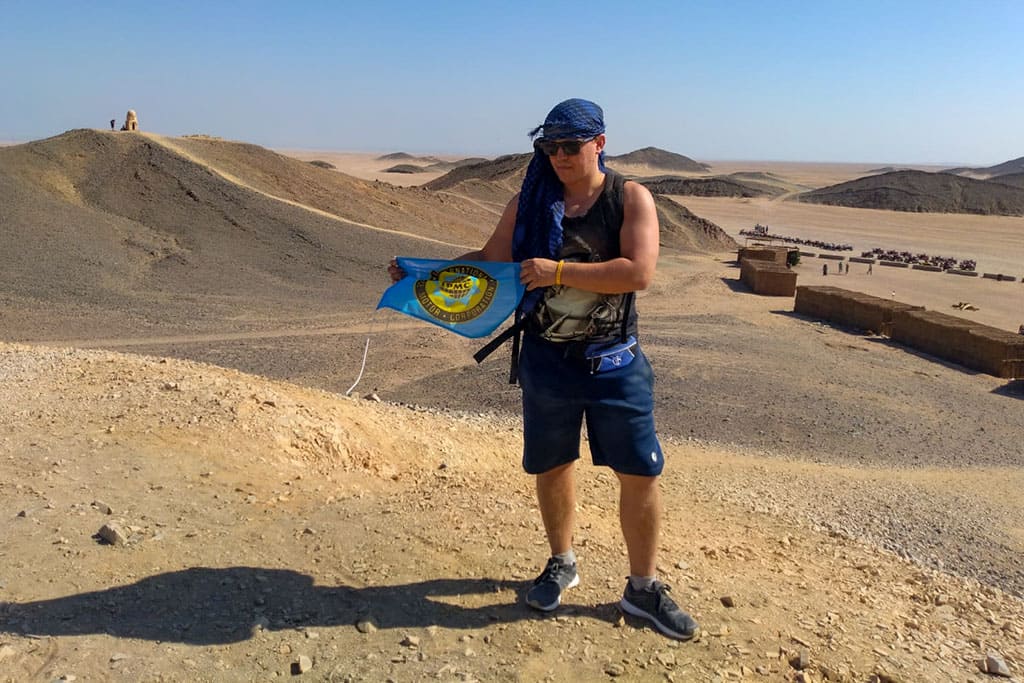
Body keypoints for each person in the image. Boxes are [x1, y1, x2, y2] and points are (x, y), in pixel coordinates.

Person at [387, 98, 699, 641]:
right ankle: (562, 562)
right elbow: (492, 260)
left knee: (640, 473)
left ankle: (643, 587)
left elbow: (637, 272)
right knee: (552, 466)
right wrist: (425, 274)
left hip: (614, 362)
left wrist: (557, 272)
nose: (559, 155)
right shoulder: (530, 202)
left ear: (599, 143)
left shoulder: (628, 198)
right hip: (547, 361)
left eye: (570, 145)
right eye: (549, 146)